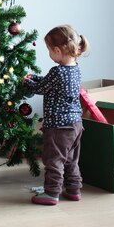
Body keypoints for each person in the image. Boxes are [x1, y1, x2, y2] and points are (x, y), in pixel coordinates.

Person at [24, 25, 90, 206]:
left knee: (54, 160)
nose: (49, 54)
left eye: (49, 50)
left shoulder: (57, 72)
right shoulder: (75, 69)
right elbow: (47, 82)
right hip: (76, 123)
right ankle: (74, 189)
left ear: (58, 50)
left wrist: (28, 82)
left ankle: (52, 193)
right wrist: (35, 77)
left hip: (59, 126)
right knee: (71, 160)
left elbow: (41, 88)